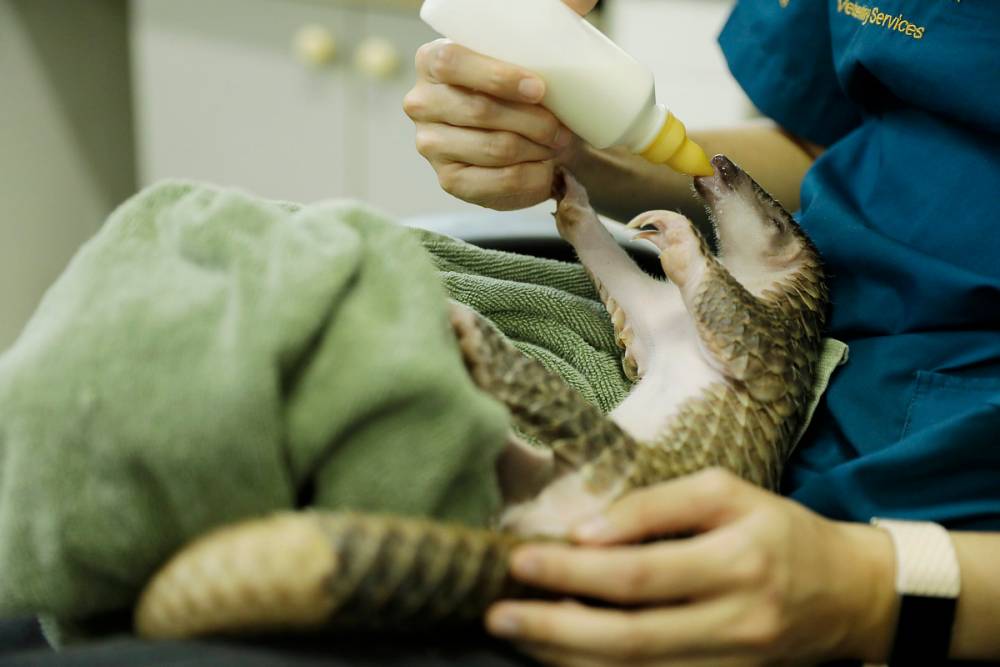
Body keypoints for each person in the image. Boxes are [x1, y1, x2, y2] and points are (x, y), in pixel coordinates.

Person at [404, 0, 1000, 663]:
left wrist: (874, 589)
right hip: (789, 379)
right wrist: (573, 152)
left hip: (926, 534)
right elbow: (832, 144)